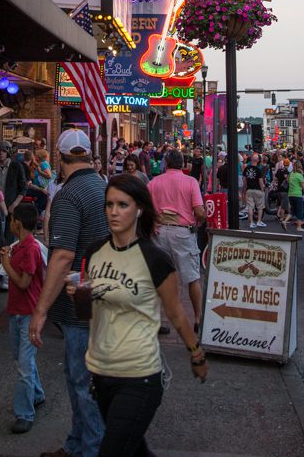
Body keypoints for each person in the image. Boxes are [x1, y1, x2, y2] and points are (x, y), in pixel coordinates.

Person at [70, 173, 208, 456]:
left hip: (140, 375)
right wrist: (80, 295)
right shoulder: (94, 251)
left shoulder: (155, 258)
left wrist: (196, 354)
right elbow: (86, 313)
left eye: (123, 205)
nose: (114, 212)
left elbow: (176, 314)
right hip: (101, 373)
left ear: (140, 209)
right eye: (109, 205)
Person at [30, 128, 108, 457]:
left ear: (59, 159)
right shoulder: (103, 187)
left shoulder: (68, 195)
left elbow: (61, 257)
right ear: (88, 156)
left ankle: (90, 450)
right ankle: (77, 445)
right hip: (101, 297)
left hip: (81, 304)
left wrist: (41, 310)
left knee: (83, 383)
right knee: (82, 379)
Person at [0, 202, 45, 433]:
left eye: (12, 218)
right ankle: (36, 394)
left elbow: (23, 283)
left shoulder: (31, 249)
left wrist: (5, 264)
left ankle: (24, 414)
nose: (9, 222)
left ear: (18, 222)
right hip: (15, 311)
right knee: (21, 359)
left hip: (28, 313)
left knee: (25, 365)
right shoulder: (18, 247)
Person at [148, 149, 205, 332]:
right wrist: (199, 222)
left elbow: (145, 208)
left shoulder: (154, 182)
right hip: (182, 231)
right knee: (192, 277)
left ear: (166, 163)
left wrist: (154, 222)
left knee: (158, 278)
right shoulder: (191, 182)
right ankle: (197, 319)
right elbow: (199, 211)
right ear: (184, 164)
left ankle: (156, 321)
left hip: (160, 231)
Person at [243, 152, 267, 229]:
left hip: (249, 190)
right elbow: (261, 182)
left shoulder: (246, 168)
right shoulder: (258, 170)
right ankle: (259, 221)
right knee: (260, 207)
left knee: (250, 207)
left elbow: (245, 181)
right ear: (258, 161)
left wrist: (244, 189)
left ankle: (251, 222)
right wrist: (262, 190)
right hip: (257, 190)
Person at [285, 158, 304, 232]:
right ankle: (299, 227)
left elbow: (287, 180)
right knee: (300, 211)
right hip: (298, 194)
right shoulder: (299, 175)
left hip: (290, 194)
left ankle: (285, 221)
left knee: (293, 210)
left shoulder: (291, 174)